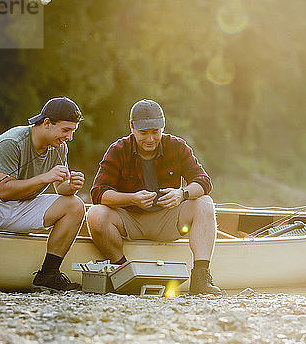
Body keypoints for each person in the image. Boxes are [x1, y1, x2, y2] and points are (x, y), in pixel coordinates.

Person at [0, 97, 86, 294]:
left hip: (21, 206)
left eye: (72, 131)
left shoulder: (59, 146)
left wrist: (70, 186)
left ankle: (48, 274)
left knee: (76, 205)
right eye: (66, 130)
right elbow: (4, 192)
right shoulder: (12, 141)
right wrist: (45, 178)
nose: (69, 137)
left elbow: (59, 187)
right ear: (46, 123)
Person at [86, 99, 222, 295]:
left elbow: (203, 181)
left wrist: (181, 194)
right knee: (95, 214)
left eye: (155, 132)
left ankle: (201, 277)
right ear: (132, 128)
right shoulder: (118, 149)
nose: (150, 139)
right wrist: (131, 198)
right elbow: (98, 193)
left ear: (162, 127)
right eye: (143, 133)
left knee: (204, 202)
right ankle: (124, 275)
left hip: (168, 219)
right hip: (130, 220)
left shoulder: (176, 146)